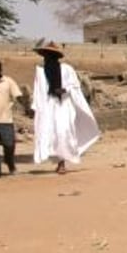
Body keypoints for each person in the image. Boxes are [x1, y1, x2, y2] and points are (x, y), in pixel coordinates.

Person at [31, 41, 101, 174]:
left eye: (50, 55)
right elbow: (38, 90)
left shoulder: (67, 69)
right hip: (48, 105)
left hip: (64, 104)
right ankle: (57, 161)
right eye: (45, 55)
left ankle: (62, 162)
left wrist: (64, 90)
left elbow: (74, 85)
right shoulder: (40, 71)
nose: (47, 57)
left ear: (56, 56)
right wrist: (36, 106)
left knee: (64, 132)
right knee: (50, 133)